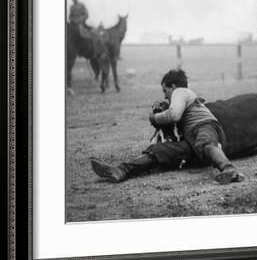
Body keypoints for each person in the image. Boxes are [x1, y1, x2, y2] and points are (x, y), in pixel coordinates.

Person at [90, 69, 245, 184]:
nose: (165, 95)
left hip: (204, 127)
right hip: (193, 142)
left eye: (165, 91)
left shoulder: (181, 91)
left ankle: (229, 169)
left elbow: (174, 115)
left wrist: (155, 117)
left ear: (173, 87)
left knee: (205, 142)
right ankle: (121, 170)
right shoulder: (184, 97)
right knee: (160, 151)